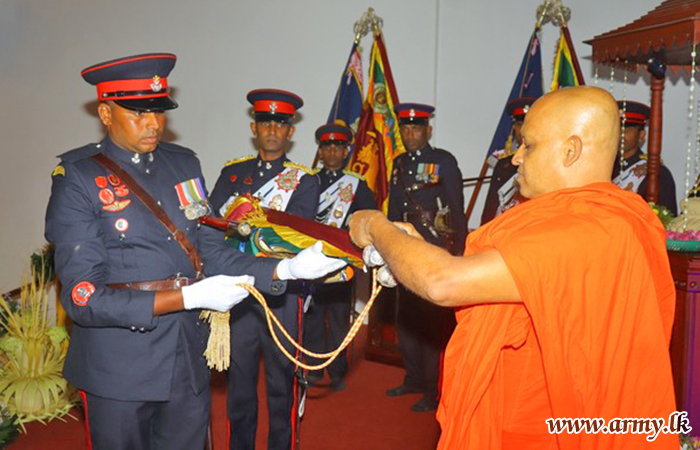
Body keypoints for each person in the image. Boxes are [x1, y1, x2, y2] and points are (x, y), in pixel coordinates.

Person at [349, 87, 678, 449]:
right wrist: (411, 248)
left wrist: (376, 227)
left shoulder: (579, 228)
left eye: (529, 145)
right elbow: (502, 278)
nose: (517, 157)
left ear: (570, 151)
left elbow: (442, 281)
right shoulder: (622, 218)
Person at [45, 54, 344, 450]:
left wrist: (284, 270)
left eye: (159, 111)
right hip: (120, 366)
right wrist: (188, 297)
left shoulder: (182, 164)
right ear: (105, 112)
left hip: (186, 356)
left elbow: (211, 250)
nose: (153, 124)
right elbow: (84, 299)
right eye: (138, 113)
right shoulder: (78, 178)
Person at [209, 89, 321, 450]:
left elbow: (296, 237)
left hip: (282, 294)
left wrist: (246, 222)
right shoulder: (232, 173)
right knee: (239, 384)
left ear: (290, 132)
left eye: (280, 124)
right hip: (239, 290)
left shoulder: (304, 180)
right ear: (254, 128)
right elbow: (212, 226)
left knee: (281, 383)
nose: (272, 130)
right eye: (265, 122)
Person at [386, 103, 466, 412]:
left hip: (433, 247)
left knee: (430, 322)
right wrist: (389, 245)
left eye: (416, 128)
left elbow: (456, 209)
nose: (410, 134)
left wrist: (458, 251)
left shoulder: (443, 161)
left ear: (428, 131)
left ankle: (433, 391)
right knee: (406, 318)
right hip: (405, 246)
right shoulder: (398, 163)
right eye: (405, 129)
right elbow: (394, 210)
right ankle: (413, 379)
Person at [303, 123, 377, 391]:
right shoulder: (308, 181)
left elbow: (370, 219)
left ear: (346, 151)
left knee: (338, 317)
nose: (332, 152)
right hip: (312, 258)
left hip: (341, 262)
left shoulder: (357, 184)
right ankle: (313, 367)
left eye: (338, 147)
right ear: (320, 151)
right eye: (327, 147)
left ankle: (337, 371)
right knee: (312, 315)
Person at [481, 96, 539, 224]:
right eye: (519, 124)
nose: (523, 130)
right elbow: (491, 208)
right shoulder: (504, 164)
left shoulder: (547, 161)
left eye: (528, 124)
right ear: (513, 127)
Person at [614, 100, 678, 215]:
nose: (620, 135)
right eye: (616, 128)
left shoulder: (656, 173)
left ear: (641, 135)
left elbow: (666, 219)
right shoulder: (602, 168)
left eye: (628, 129)